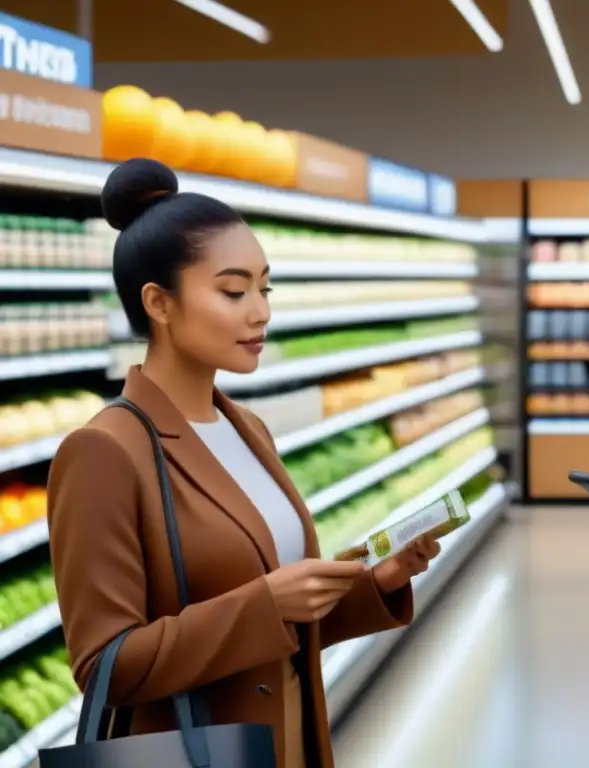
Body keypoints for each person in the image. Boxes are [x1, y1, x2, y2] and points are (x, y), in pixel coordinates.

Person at [47, 157, 441, 768]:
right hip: (196, 753)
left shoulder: (247, 429)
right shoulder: (105, 451)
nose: (260, 311)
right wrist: (266, 603)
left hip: (292, 742)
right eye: (233, 291)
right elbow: (105, 666)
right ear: (159, 302)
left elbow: (277, 625)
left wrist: (375, 583)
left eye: (265, 288)